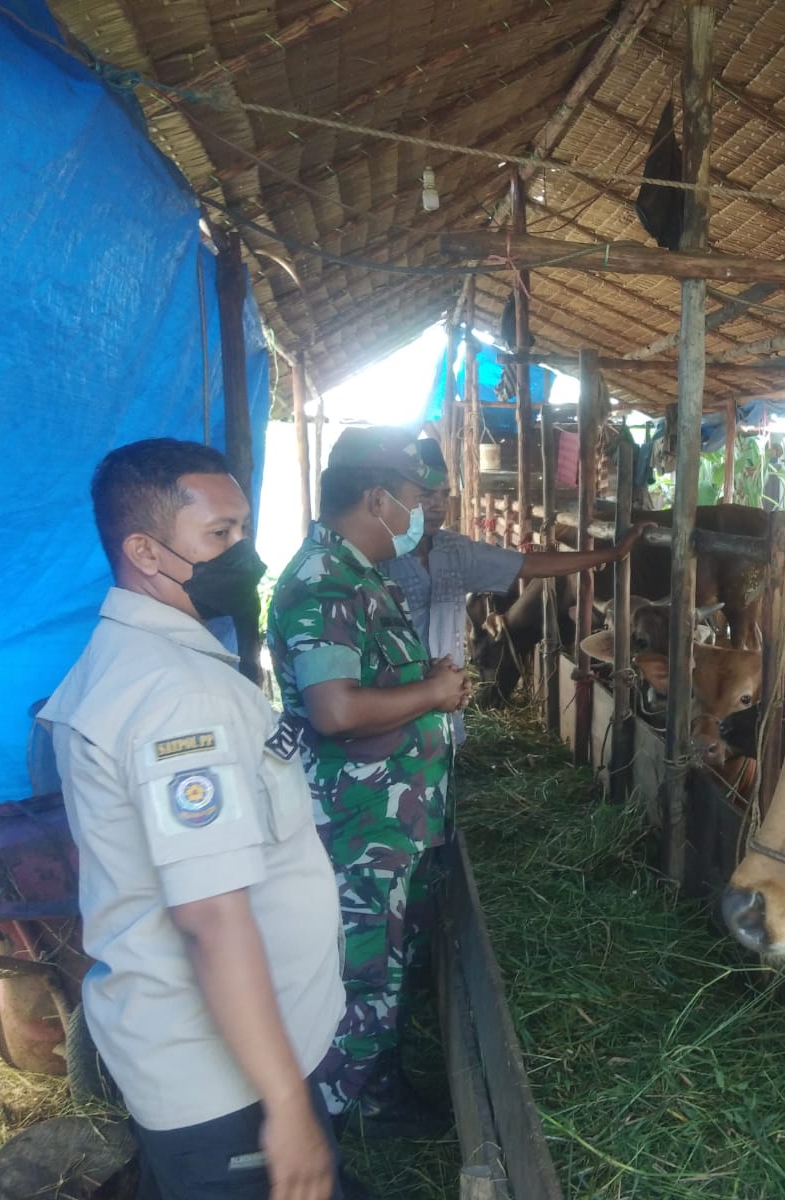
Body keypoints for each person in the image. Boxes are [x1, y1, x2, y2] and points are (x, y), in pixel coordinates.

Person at [38, 439, 346, 1200]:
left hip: (214, 1062)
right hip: (229, 1090)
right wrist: (286, 1108)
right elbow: (210, 919)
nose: (246, 556)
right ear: (144, 550)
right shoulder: (177, 697)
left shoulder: (136, 661)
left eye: (243, 530)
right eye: (220, 536)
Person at [265, 426, 469, 1137]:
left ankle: (377, 1100)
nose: (422, 511)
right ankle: (316, 1141)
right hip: (358, 829)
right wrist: (435, 696)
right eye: (417, 497)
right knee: (360, 981)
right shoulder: (324, 582)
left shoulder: (361, 571)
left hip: (390, 820)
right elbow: (337, 709)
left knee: (384, 971)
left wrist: (428, 682)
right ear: (377, 496)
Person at [383, 437, 646, 745]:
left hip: (442, 719)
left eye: (445, 494)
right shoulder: (377, 557)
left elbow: (528, 564)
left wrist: (611, 555)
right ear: (393, 495)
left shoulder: (452, 550)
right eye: (425, 494)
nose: (438, 505)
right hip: (390, 717)